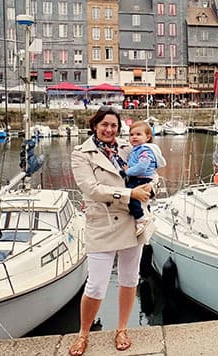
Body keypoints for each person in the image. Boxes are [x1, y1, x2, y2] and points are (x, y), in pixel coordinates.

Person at [68, 106, 155, 355]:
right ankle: (83, 333)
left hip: (132, 221)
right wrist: (129, 193)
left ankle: (121, 328)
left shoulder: (129, 149)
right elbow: (91, 189)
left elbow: (151, 173)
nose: (109, 130)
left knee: (129, 279)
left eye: (114, 126)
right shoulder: (81, 154)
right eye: (104, 124)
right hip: (102, 224)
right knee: (95, 285)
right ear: (95, 125)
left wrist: (151, 188)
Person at [124, 120, 166, 236]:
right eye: (131, 135)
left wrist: (127, 171)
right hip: (140, 178)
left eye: (138, 134)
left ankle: (141, 219)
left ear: (147, 137)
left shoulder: (144, 150)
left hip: (141, 179)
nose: (134, 137)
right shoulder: (138, 149)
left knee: (130, 197)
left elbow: (143, 166)